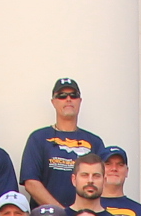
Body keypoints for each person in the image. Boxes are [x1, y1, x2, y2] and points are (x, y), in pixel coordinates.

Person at [19, 77, 104, 207]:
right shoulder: (38, 138)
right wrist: (62, 213)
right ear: (53, 102)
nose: (68, 99)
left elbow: (102, 182)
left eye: (73, 95)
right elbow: (31, 182)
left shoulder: (95, 142)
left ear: (80, 101)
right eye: (62, 96)